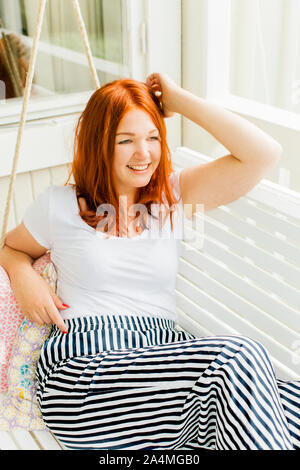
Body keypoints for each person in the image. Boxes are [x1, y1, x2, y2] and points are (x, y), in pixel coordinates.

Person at [0, 72, 299, 450]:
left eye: (152, 137)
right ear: (99, 145)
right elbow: (10, 248)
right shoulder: (58, 205)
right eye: (126, 140)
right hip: (85, 371)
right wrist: (23, 275)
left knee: (292, 405)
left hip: (164, 361)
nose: (144, 154)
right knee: (237, 357)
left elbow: (264, 154)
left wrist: (178, 100)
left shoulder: (172, 198)